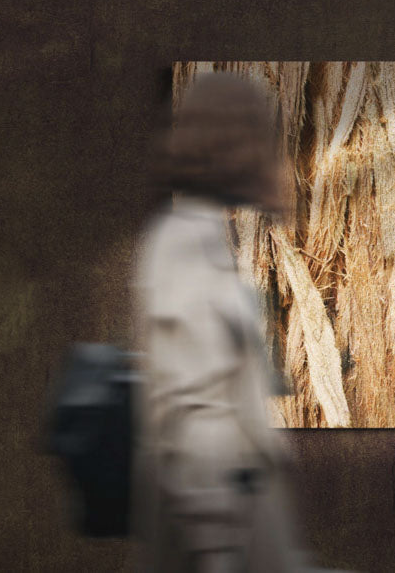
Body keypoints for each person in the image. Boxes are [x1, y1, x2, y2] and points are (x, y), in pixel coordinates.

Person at [132, 72, 307, 571]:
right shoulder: (184, 243)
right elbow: (189, 403)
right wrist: (217, 548)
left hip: (234, 506)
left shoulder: (200, 236)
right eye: (259, 136)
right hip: (225, 510)